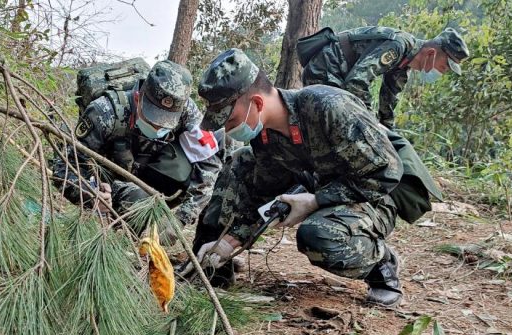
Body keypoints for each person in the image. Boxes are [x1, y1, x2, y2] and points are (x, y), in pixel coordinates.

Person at [188, 49, 440, 307]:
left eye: (230, 120)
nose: (228, 129)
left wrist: (316, 201)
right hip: (321, 187)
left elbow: (385, 173)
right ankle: (211, 265)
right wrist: (231, 241)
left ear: (257, 103)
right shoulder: (265, 137)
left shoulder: (328, 107)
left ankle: (381, 265)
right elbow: (263, 194)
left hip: (377, 194)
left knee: (317, 236)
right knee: (240, 161)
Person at [53, 60, 222, 243]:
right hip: (112, 184)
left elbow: (209, 167)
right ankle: (116, 240)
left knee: (224, 146)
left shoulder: (187, 112)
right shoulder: (105, 112)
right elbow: (63, 168)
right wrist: (91, 194)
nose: (158, 127)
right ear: (138, 98)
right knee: (140, 199)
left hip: (154, 176)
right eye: (152, 119)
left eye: (166, 123)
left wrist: (179, 220)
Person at [299, 27, 469, 128]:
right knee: (334, 125)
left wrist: (388, 133)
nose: (443, 72)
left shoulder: (404, 65)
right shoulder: (398, 46)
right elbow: (356, 83)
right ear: (431, 53)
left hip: (339, 76)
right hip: (326, 69)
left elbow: (388, 103)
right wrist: (371, 123)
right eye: (444, 66)